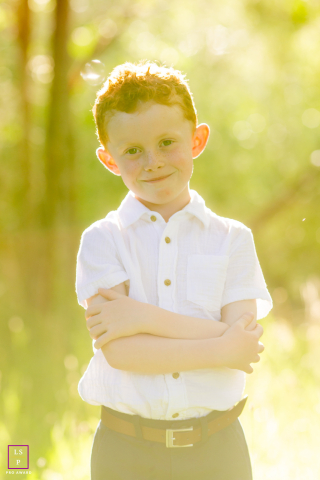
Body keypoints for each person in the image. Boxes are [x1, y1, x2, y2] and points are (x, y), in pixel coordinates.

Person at [75, 60, 273, 480]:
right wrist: (221, 345)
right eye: (132, 151)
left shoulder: (232, 239)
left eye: (167, 142)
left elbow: (245, 341)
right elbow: (122, 352)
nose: (153, 162)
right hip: (125, 452)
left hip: (218, 452)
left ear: (197, 140)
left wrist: (142, 317)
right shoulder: (102, 240)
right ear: (109, 160)